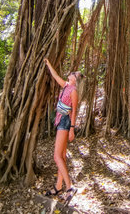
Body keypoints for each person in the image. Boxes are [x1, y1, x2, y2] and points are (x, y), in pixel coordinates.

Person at [44, 57, 82, 204]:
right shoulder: (66, 85)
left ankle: (69, 187)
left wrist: (72, 129)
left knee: (56, 157)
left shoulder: (73, 91)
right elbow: (56, 76)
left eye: (74, 74)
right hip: (60, 121)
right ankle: (58, 187)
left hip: (65, 122)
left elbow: (74, 111)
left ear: (75, 80)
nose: (71, 74)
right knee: (62, 156)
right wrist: (49, 64)